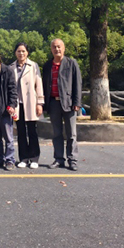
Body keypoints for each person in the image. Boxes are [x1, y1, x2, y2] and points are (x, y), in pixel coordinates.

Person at [42, 38, 82, 171]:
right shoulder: (47, 65)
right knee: (56, 133)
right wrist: (44, 104)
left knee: (71, 134)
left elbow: (77, 84)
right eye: (54, 47)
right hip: (53, 103)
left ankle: (72, 160)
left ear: (64, 48)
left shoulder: (71, 63)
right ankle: (59, 159)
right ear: (51, 49)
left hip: (69, 103)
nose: (57, 49)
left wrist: (77, 102)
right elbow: (44, 85)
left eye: (59, 47)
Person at [9, 42, 44, 169]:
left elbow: (38, 84)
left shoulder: (33, 65)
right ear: (15, 53)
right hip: (17, 104)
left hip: (31, 103)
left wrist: (40, 103)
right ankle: (23, 158)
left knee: (32, 131)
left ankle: (34, 157)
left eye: (23, 51)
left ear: (27, 52)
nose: (21, 53)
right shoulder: (11, 67)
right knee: (21, 132)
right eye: (19, 51)